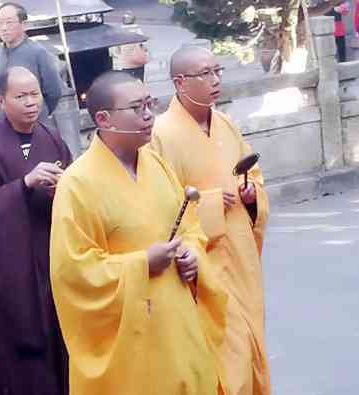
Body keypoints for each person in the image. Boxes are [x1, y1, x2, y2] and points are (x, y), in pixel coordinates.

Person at [50, 71, 227, 394]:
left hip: (178, 318)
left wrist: (191, 251)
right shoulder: (77, 183)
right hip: (131, 335)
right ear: (103, 118)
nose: (149, 116)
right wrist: (141, 263)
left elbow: (189, 226)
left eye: (149, 104)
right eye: (136, 108)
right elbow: (73, 271)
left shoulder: (157, 165)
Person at [150, 46, 271, 395]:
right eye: (205, 74)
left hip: (242, 255)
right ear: (180, 82)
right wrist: (214, 202)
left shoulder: (226, 123)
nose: (215, 80)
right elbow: (161, 205)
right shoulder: (162, 134)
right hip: (204, 265)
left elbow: (254, 175)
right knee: (224, 355)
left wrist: (251, 196)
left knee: (250, 344)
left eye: (217, 71)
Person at [0, 67, 71, 395]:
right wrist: (23, 185)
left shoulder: (51, 137)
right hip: (16, 274)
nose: (31, 103)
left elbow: (75, 192)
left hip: (54, 259)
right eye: (20, 96)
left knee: (63, 348)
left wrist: (62, 191)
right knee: (25, 362)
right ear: (1, 100)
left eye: (35, 94)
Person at [0, 2, 63, 120]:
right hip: (5, 128)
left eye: (9, 22)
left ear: (24, 25)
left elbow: (54, 92)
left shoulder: (38, 53)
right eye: (0, 23)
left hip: (33, 125)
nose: (4, 28)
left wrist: (39, 114)